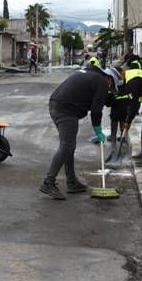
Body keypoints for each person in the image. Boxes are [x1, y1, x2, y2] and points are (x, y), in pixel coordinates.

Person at [39, 64, 119, 199]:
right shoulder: (101, 82)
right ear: (110, 79)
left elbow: (101, 99)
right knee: (67, 145)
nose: (109, 90)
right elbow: (96, 110)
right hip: (66, 109)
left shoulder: (91, 75)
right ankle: (48, 182)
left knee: (69, 145)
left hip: (57, 104)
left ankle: (71, 182)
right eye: (111, 87)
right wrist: (98, 131)